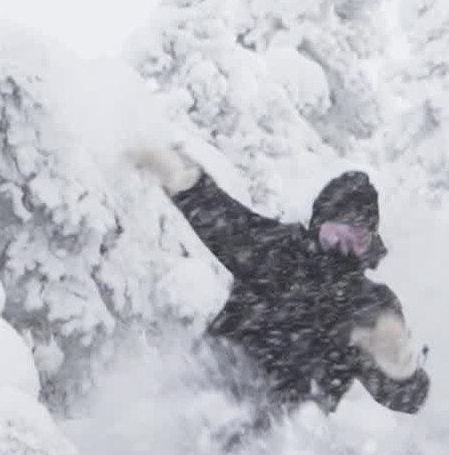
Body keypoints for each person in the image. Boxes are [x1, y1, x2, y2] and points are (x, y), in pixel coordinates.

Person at [130, 146, 430, 420]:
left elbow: (407, 398)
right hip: (210, 393)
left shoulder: (370, 306)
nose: (342, 248)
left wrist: (400, 368)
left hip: (280, 437)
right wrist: (186, 183)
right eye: (335, 234)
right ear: (317, 227)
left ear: (369, 244)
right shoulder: (277, 251)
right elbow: (224, 219)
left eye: (356, 239)